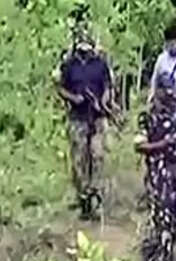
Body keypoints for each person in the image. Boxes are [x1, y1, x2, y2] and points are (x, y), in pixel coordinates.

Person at [135, 75, 176, 261]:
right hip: (161, 176)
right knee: (165, 223)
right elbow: (139, 146)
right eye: (165, 91)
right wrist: (162, 145)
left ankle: (152, 249)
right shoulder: (148, 118)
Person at [55, 26, 113, 221]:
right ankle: (83, 198)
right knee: (78, 160)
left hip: (97, 117)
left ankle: (95, 196)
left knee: (97, 155)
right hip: (77, 117)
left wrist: (104, 101)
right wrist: (74, 98)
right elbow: (60, 88)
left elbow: (107, 86)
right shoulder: (69, 64)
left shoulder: (100, 63)